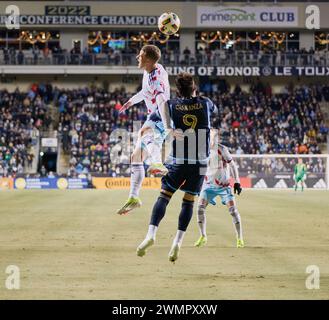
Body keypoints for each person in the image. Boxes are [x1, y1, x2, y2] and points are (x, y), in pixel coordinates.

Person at [136, 72, 216, 262]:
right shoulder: (206, 102)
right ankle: (177, 243)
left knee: (164, 196)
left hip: (179, 159)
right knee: (188, 201)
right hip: (200, 161)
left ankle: (151, 235)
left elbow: (155, 118)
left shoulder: (170, 105)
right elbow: (214, 109)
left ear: (177, 90)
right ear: (194, 87)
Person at [116, 45, 170, 215]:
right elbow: (145, 92)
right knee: (136, 158)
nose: (137, 57)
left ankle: (157, 163)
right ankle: (134, 197)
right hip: (153, 116)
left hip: (160, 116)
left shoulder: (156, 78)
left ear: (147, 59)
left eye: (140, 56)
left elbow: (162, 100)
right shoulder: (150, 70)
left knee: (144, 132)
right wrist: (131, 101)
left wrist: (167, 125)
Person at [194, 131, 244, 248]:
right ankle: (203, 236)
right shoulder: (202, 151)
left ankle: (239, 238)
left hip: (223, 186)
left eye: (213, 136)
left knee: (233, 211)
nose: (211, 138)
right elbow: (202, 169)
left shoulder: (222, 149)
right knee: (200, 209)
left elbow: (232, 165)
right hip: (208, 185)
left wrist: (237, 181)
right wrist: (199, 185)